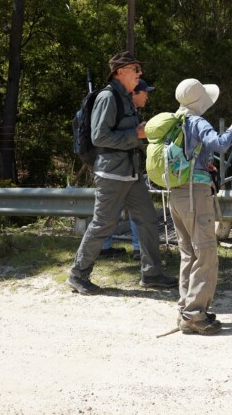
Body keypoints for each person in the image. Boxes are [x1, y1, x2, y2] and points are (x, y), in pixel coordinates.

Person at [66, 52, 177, 294]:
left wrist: (140, 131)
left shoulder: (126, 97)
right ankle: (78, 274)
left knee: (148, 220)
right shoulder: (108, 97)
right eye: (135, 68)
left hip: (131, 172)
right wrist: (135, 134)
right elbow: (99, 136)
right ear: (120, 72)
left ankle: (152, 274)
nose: (140, 73)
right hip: (112, 174)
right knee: (103, 224)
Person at [170, 78, 232, 335]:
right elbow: (220, 144)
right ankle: (195, 315)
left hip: (176, 193)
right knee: (205, 252)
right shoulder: (196, 121)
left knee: (188, 253)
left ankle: (186, 310)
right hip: (195, 195)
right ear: (199, 99)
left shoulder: (174, 122)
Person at [99, 79, 153, 260]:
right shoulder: (115, 105)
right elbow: (102, 138)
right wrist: (137, 134)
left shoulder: (130, 112)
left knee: (131, 212)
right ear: (134, 93)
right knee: (118, 214)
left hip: (127, 169)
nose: (147, 96)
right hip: (118, 169)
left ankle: (136, 250)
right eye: (144, 92)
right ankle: (136, 249)